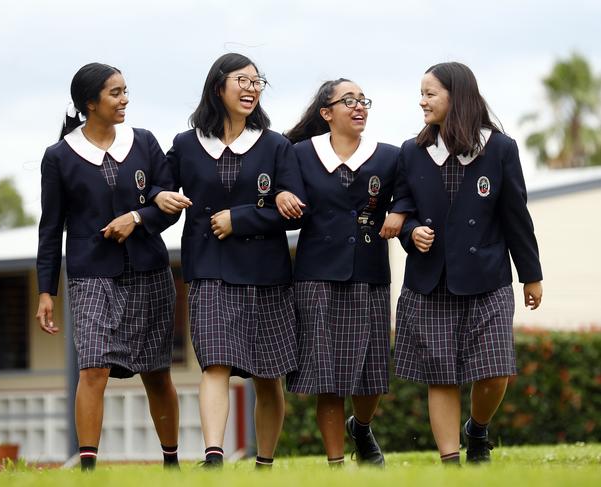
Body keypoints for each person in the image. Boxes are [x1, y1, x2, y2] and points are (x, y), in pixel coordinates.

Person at [154, 53, 301, 469]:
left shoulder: (276, 145)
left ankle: (265, 463)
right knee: (215, 363)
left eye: (258, 81)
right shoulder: (186, 144)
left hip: (267, 273)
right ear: (219, 86)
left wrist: (241, 218)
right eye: (243, 80)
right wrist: (156, 197)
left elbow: (295, 210)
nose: (252, 88)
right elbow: (163, 195)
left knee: (268, 374)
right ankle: (214, 456)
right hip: (209, 270)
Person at [392, 62, 543, 465]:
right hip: (431, 280)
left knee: (495, 371)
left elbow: (516, 216)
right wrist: (411, 234)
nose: (421, 101)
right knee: (441, 376)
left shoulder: (501, 148)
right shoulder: (412, 151)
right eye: (421, 93)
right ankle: (451, 463)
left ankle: (477, 429)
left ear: (456, 97)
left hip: (488, 277)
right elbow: (402, 207)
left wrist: (531, 276)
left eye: (430, 93)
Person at [36, 63, 181, 471]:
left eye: (125, 90)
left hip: (150, 271)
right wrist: (46, 290)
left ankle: (171, 464)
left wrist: (137, 218)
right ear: (90, 103)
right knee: (93, 368)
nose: (124, 100)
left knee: (156, 372)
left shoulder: (145, 142)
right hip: (90, 276)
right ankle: (87, 468)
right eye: (115, 93)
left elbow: (167, 205)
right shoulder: (59, 156)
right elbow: (50, 229)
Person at [278, 78, 409, 468]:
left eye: (363, 100)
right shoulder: (299, 154)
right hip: (316, 277)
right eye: (348, 100)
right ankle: (336, 465)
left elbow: (406, 195)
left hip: (369, 273)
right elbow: (279, 195)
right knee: (328, 379)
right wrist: (282, 194)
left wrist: (399, 212)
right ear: (326, 113)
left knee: (371, 379)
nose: (359, 107)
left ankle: (362, 426)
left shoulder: (389, 156)